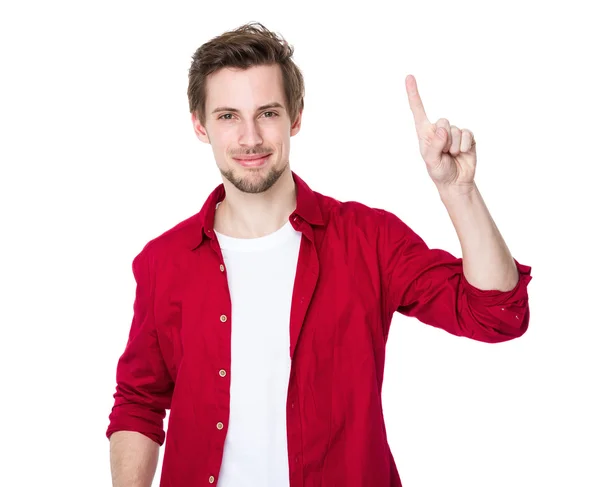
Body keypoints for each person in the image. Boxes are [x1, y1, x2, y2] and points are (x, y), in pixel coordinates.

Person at [106, 21, 532, 487]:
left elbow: (497, 316)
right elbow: (139, 401)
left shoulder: (368, 239)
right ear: (199, 125)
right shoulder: (164, 261)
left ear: (295, 117)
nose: (250, 138)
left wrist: (458, 190)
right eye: (228, 116)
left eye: (267, 113)